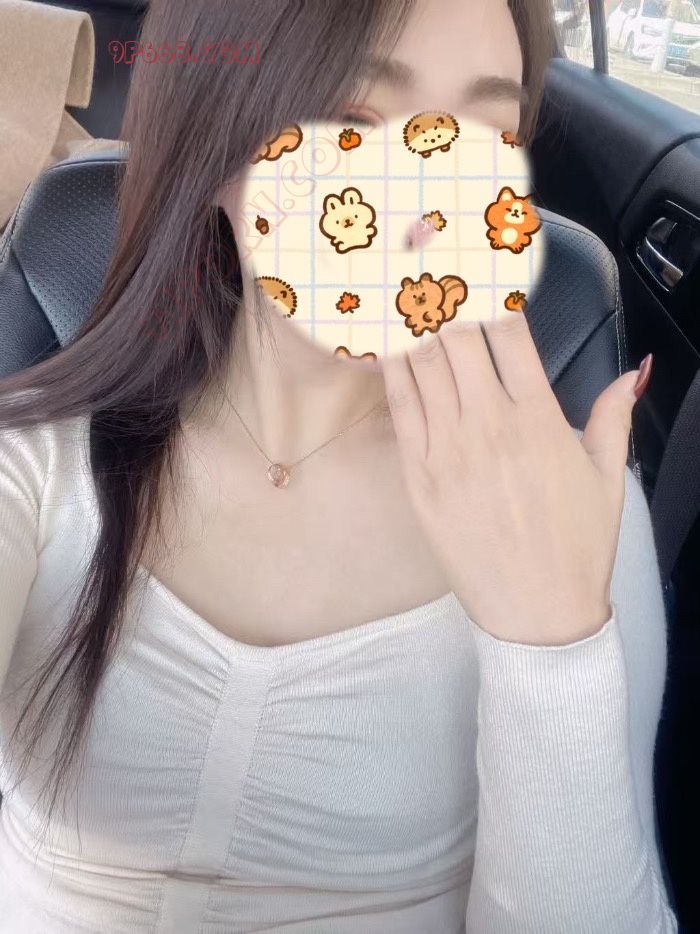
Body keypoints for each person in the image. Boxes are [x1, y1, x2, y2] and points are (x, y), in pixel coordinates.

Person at [0, 0, 678, 930]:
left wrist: (553, 643)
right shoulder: (36, 461)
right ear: (215, 144)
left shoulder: (566, 507)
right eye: (352, 119)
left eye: (484, 136)